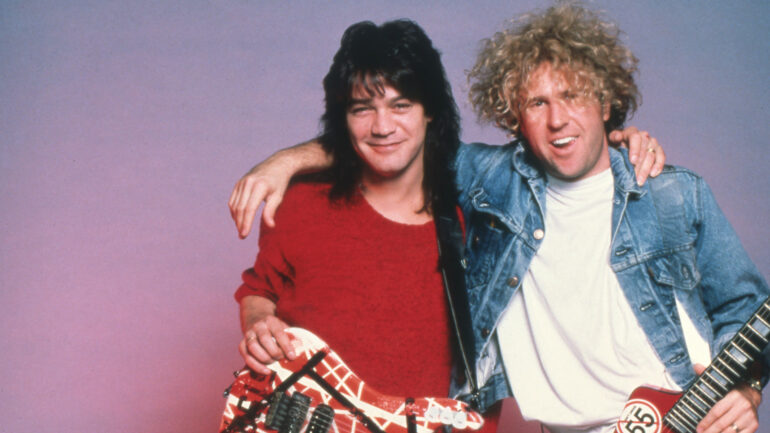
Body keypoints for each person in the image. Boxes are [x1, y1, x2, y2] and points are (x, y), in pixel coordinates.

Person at [228, 4, 769, 433]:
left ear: (608, 102)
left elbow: (747, 308)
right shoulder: (496, 185)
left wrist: (745, 392)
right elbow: (391, 144)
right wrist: (286, 161)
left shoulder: (674, 192)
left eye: (574, 96)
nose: (557, 119)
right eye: (536, 103)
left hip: (682, 418)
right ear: (514, 120)